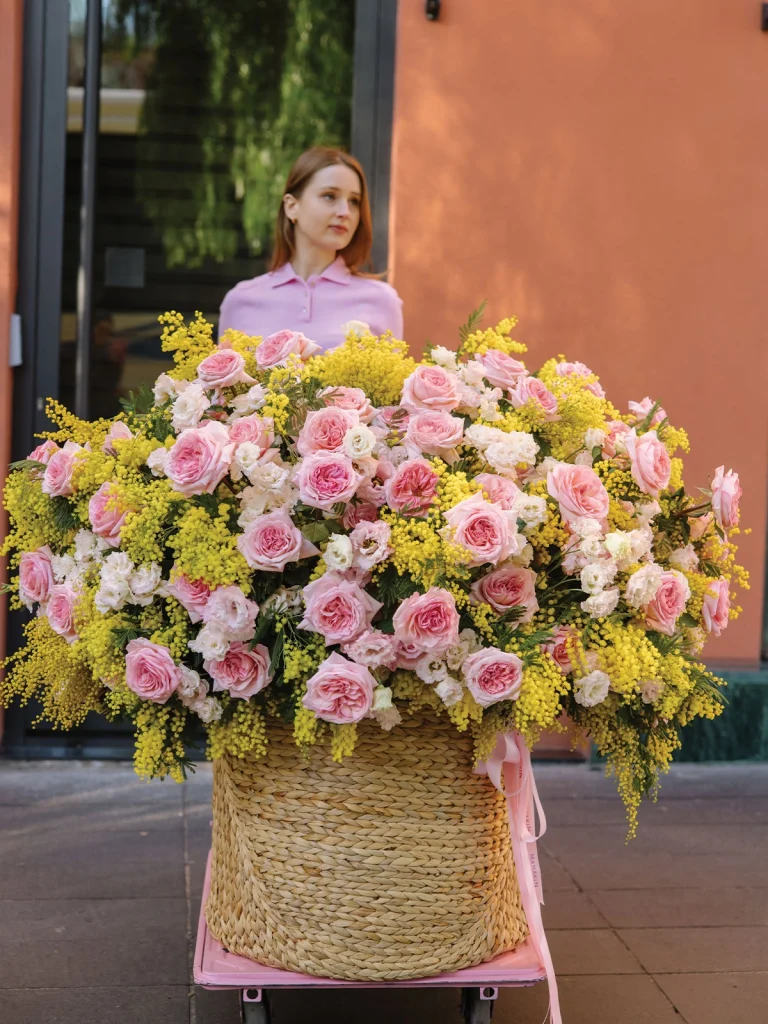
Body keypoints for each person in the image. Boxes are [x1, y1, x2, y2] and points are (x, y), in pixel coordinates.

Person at [218, 147, 403, 350]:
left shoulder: (381, 300)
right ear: (291, 207)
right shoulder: (240, 301)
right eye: (330, 196)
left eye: (354, 201)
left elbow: (388, 380)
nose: (345, 212)